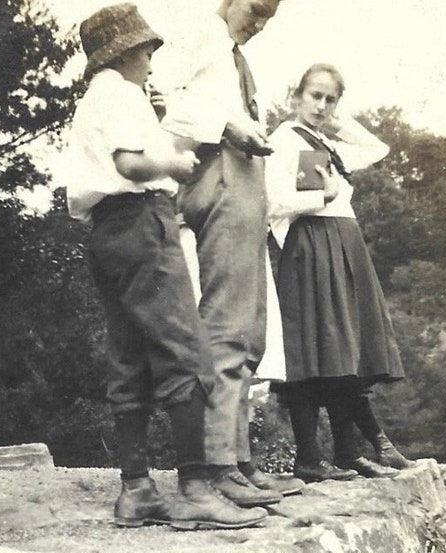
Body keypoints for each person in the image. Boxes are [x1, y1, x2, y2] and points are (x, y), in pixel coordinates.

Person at [64, 3, 269, 530]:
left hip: (105, 231)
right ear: (128, 52)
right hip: (143, 224)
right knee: (186, 353)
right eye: (148, 53)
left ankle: (137, 490)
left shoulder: (96, 99)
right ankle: (197, 488)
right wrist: (175, 164)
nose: (153, 63)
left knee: (129, 355)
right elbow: (130, 164)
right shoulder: (122, 92)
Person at [161, 0, 304, 506]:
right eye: (256, 9)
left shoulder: (231, 55)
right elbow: (157, 92)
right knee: (226, 324)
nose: (259, 24)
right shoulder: (196, 31)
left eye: (269, 18)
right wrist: (226, 124)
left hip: (245, 181)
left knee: (249, 329)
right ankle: (217, 463)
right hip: (219, 172)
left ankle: (239, 460)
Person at [265, 63, 415, 482]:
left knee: (344, 353)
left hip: (341, 244)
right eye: (314, 95)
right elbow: (274, 204)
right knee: (315, 356)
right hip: (313, 246)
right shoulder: (288, 140)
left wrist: (335, 120)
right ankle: (312, 458)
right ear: (296, 95)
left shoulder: (319, 140)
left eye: (331, 99)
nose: (322, 105)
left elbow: (375, 148)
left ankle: (349, 453)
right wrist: (321, 195)